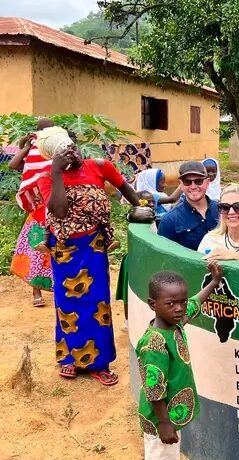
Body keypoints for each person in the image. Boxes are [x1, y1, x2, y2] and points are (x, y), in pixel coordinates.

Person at [37, 128, 141, 385]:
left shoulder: (99, 166)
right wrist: (57, 172)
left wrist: (142, 209)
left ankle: (99, 362)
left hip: (93, 245)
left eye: (71, 146)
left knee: (97, 303)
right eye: (63, 151)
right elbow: (59, 211)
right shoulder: (48, 177)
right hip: (63, 248)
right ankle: (69, 357)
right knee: (66, 303)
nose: (71, 152)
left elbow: (125, 187)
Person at [138, 261, 223, 459]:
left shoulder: (175, 324)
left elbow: (195, 302)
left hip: (171, 414)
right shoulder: (154, 343)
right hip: (160, 418)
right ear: (153, 304)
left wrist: (214, 282)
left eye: (182, 302)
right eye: (171, 304)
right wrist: (165, 424)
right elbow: (154, 388)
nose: (179, 308)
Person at [8, 118, 55, 307]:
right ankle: (36, 291)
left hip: (55, 209)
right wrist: (27, 145)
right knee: (35, 251)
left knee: (56, 251)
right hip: (38, 213)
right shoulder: (33, 155)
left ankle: (57, 287)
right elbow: (13, 164)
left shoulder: (55, 151)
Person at [157, 161, 219, 251]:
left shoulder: (223, 211)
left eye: (198, 181)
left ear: (207, 182)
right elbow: (165, 258)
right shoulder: (169, 221)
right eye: (187, 182)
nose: (193, 187)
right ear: (181, 185)